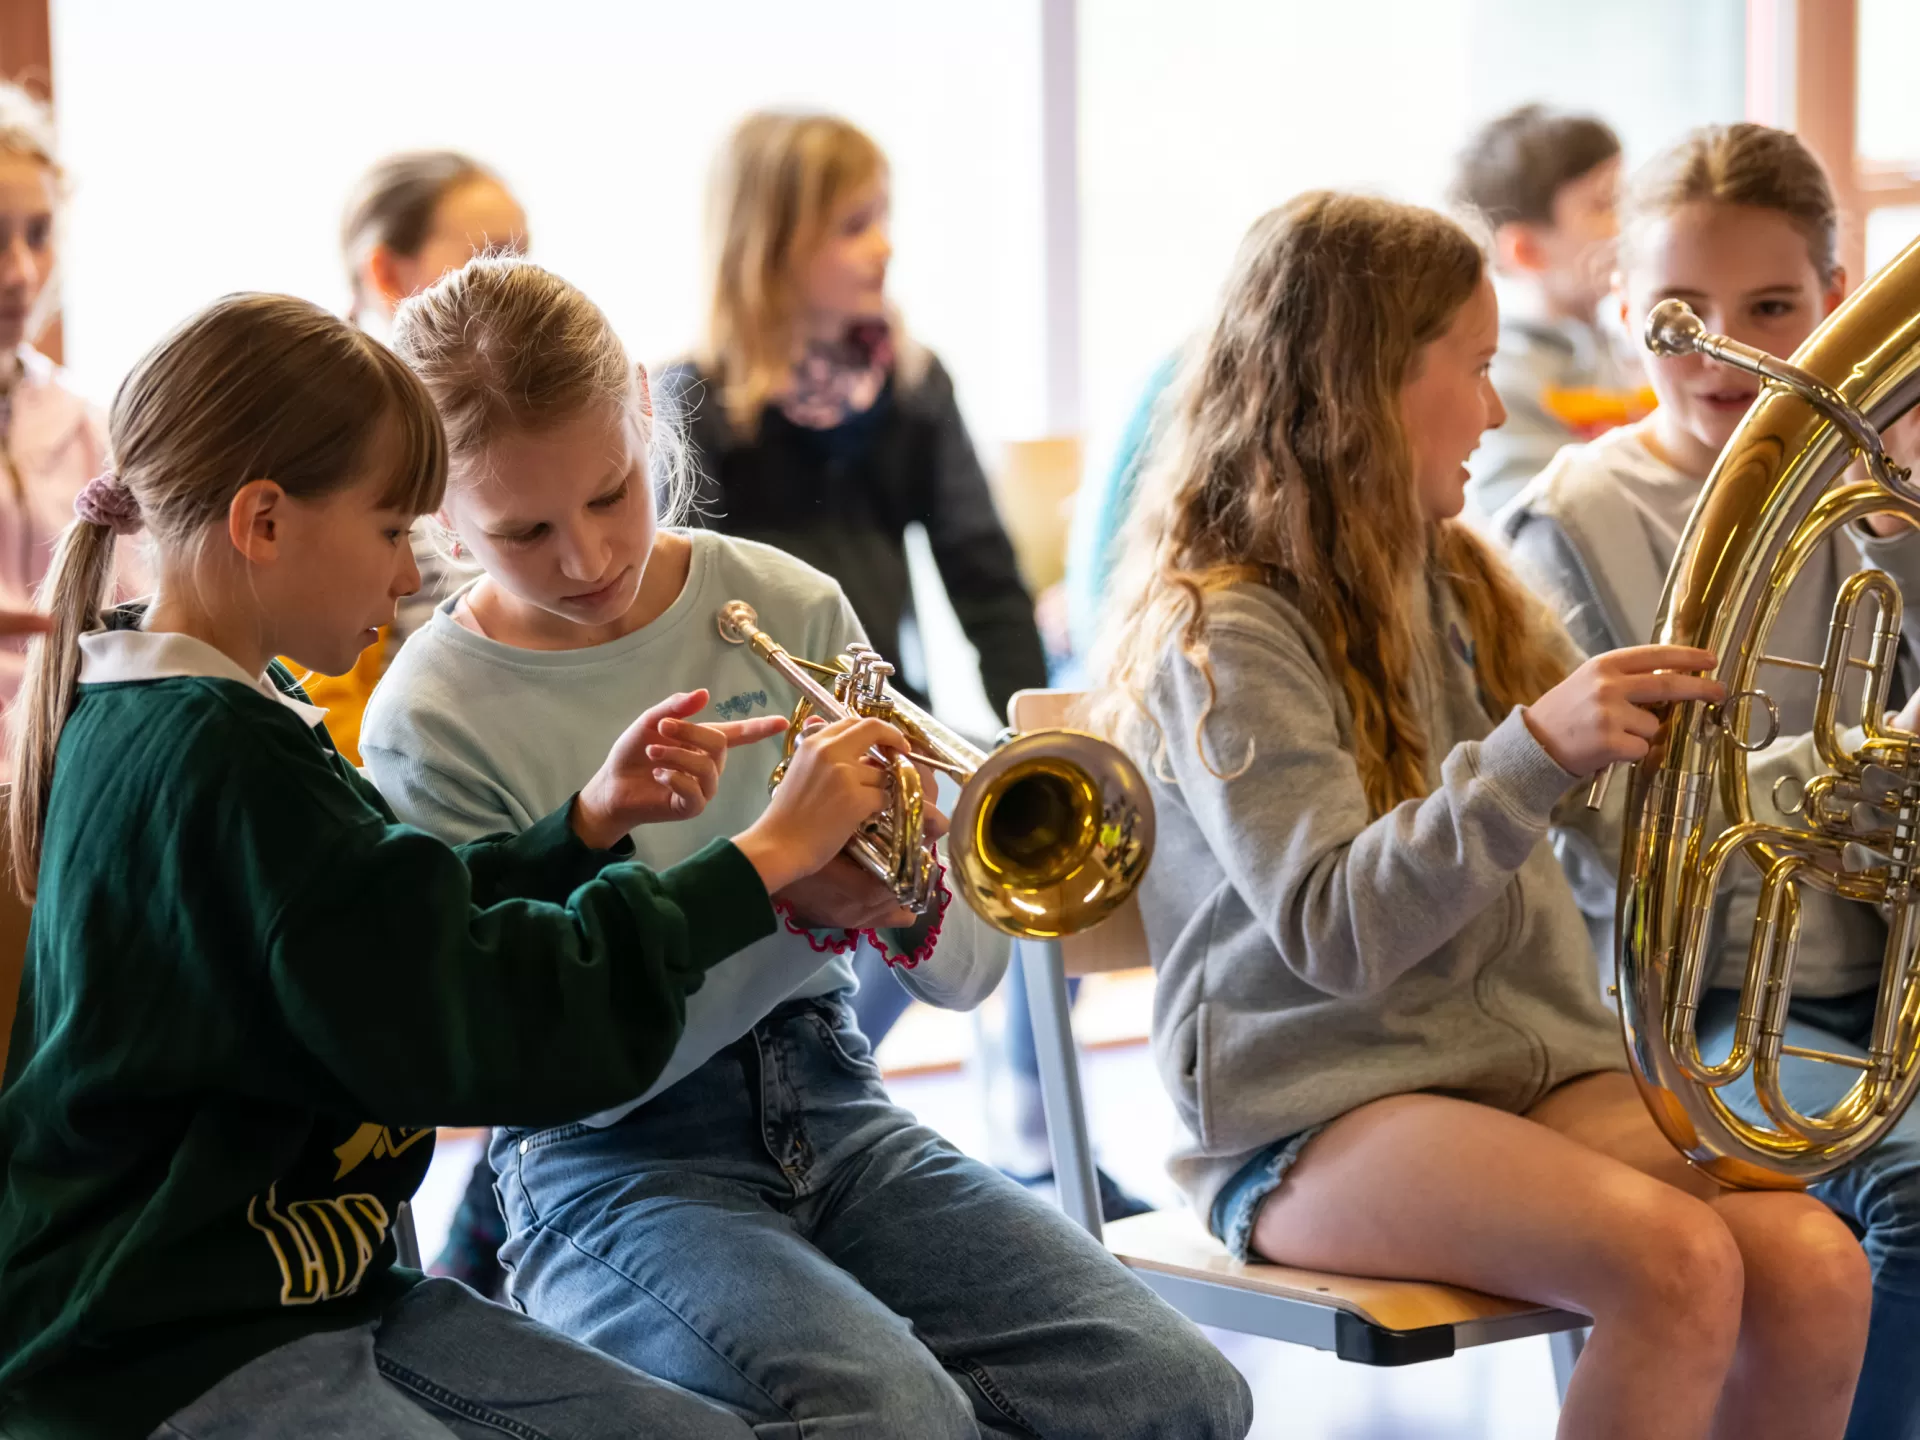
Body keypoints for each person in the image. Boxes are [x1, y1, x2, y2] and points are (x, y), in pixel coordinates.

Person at [362, 255, 1254, 1440]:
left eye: (613, 493)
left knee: (1181, 1394)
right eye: (523, 529)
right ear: (439, 516)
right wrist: (774, 883)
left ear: (640, 407)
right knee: (893, 1416)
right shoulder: (431, 716)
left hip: (831, 1097)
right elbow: (518, 1052)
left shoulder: (781, 600)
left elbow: (974, 973)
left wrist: (900, 904)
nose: (586, 558)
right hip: (608, 1163)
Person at [0, 290, 899, 1440]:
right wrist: (761, 860)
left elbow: (383, 924)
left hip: (316, 1296)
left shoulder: (211, 716)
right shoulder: (210, 759)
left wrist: (577, 828)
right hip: (161, 1349)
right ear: (264, 522)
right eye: (392, 533)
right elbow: (465, 1013)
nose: (404, 579)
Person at [1093, 190, 1872, 1439]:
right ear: (1368, 387)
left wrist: (1805, 785)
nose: (1500, 410)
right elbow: (1333, 931)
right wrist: (1533, 753)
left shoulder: (1456, 577)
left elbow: (1622, 833)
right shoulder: (1225, 628)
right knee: (1675, 1265)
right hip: (1313, 1112)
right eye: (1478, 368)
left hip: (1519, 1074)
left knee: (1817, 1264)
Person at [1501, 122, 1920, 1440]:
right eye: (1680, 313)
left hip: (1880, 987)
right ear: (1626, 315)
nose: (1722, 348)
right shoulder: (1565, 523)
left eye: (1773, 308)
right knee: (1914, 1199)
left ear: (1839, 311)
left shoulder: (1884, 501)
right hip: (1693, 1000)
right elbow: (1594, 822)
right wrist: (1841, 776)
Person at [660, 110, 1047, 721]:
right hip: (750, 725)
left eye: (883, 218)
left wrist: (1036, 733)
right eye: (854, 226)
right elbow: (673, 620)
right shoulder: (691, 404)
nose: (884, 245)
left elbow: (986, 581)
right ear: (770, 246)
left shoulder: (916, 386)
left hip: (888, 718)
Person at [1452, 104, 1650, 518]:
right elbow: (1534, 521)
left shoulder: (1629, 348)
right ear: (1527, 251)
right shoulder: (1504, 375)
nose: (1630, 225)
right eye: (1603, 205)